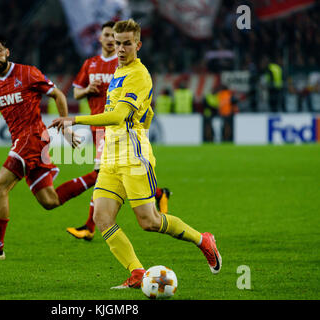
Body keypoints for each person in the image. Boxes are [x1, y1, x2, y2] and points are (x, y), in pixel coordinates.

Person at [50, 19, 221, 288]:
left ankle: (203, 240)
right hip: (110, 156)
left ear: (138, 45)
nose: (120, 48)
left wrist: (76, 119)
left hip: (133, 156)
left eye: (126, 44)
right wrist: (144, 117)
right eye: (117, 43)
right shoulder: (119, 71)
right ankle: (137, 272)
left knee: (149, 221)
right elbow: (141, 113)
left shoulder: (139, 75)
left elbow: (118, 115)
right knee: (102, 217)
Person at [0, 34, 97, 261]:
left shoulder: (27, 73)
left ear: (7, 52)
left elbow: (57, 95)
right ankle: (98, 175)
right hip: (22, 141)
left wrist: (66, 126)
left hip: (33, 138)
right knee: (50, 201)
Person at [67, 21, 170, 241]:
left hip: (115, 130)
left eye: (122, 42)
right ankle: (159, 193)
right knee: (109, 178)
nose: (110, 42)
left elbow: (132, 106)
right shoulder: (93, 64)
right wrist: (87, 90)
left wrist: (74, 120)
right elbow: (75, 93)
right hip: (99, 127)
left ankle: (89, 227)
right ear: (102, 39)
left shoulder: (128, 67)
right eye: (107, 36)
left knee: (99, 174)